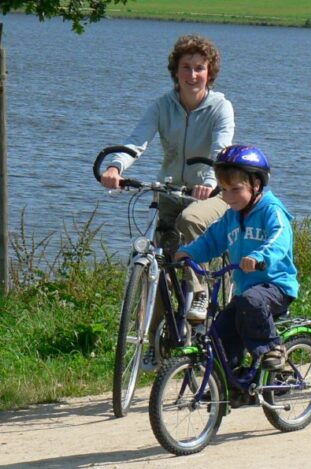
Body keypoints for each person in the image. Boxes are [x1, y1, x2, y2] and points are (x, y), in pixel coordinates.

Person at [98, 34, 233, 371]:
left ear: (209, 73)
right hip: (170, 191)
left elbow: (220, 150)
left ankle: (200, 291)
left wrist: (210, 182)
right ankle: (157, 339)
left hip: (212, 194)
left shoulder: (220, 107)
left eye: (199, 68)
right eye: (186, 68)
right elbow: (136, 141)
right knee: (158, 261)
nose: (192, 75)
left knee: (190, 221)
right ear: (176, 71)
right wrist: (115, 166)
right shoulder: (163, 106)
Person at [174, 145, 298, 375]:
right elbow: (211, 240)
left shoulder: (272, 210)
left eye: (235, 189)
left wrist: (259, 257)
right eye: (223, 190)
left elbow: (279, 239)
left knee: (251, 301)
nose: (228, 197)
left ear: (256, 184)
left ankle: (273, 349)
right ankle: (231, 384)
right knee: (220, 331)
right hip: (246, 291)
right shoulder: (231, 216)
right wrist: (188, 252)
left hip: (276, 285)